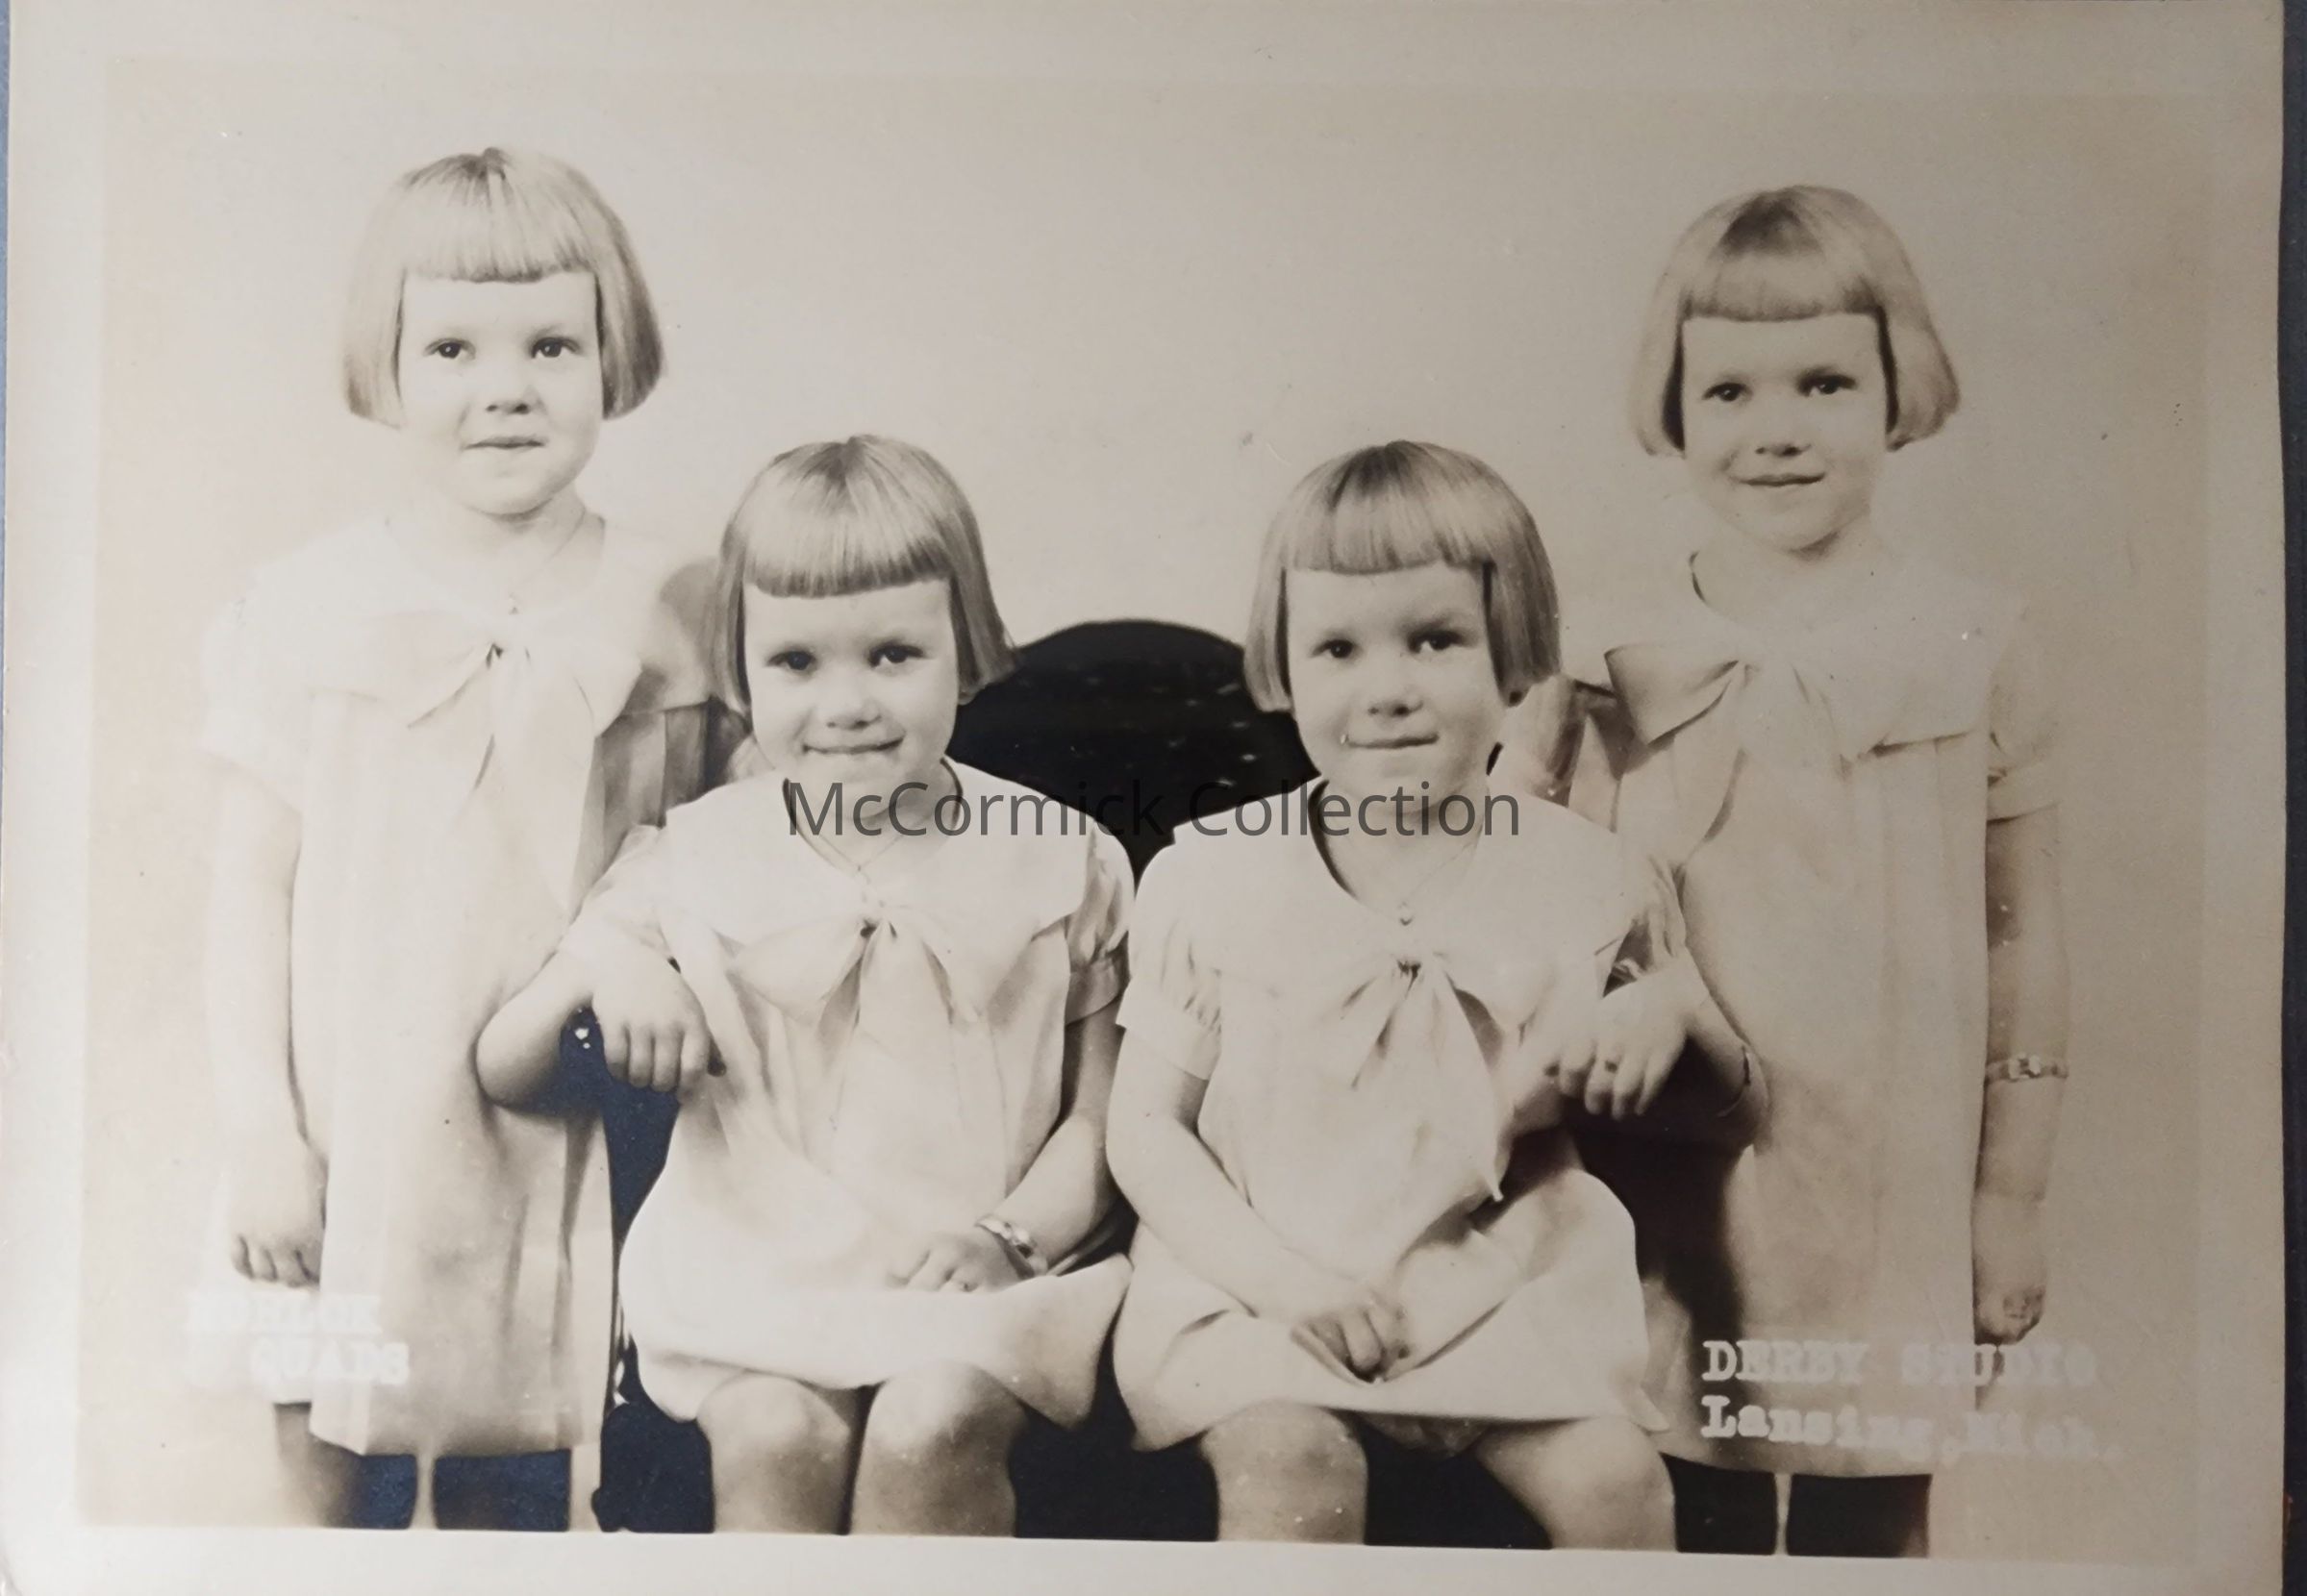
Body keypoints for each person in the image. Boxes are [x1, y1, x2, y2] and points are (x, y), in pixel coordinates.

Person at [1506, 185, 2069, 1557]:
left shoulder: (1972, 641)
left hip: (1892, 1184)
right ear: (1673, 405)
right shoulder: (1606, 654)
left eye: (1823, 383)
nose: (1775, 429)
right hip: (1670, 1164)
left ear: (1896, 387)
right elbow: (1519, 897)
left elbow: (2021, 939)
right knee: (1673, 1492)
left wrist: (2007, 1200)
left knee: (1867, 1510)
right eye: (1728, 391)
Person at [189, 147, 716, 1528]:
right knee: (327, 1463)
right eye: (453, 349)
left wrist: (629, 951)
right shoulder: (306, 604)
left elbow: (715, 843)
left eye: (551, 344)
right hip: (351, 1121)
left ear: (612, 354)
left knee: (521, 1459)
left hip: (553, 1117)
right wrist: (262, 1135)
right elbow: (248, 889)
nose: (507, 387)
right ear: (386, 362)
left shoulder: (672, 602)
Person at [479, 436, 1133, 1535]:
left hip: (985, 1270)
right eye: (795, 663)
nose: (847, 703)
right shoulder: (691, 854)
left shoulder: (1063, 857)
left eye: (893, 654)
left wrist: (1009, 1239)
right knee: (776, 1433)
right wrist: (621, 966)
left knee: (932, 1421)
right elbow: (507, 1065)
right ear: (739, 673)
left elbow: (1100, 1122)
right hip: (758, 1280)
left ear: (968, 649)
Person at [1107, 440, 1755, 1548]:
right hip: (1259, 1284)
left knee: (1615, 1487)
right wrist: (1284, 1284)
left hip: (1494, 1280)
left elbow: (1728, 1115)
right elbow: (1144, 1130)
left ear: (1512, 657)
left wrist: (1669, 1007)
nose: (1387, 689)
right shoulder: (1209, 875)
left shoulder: (1587, 874)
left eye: (1434, 640)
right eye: (1337, 649)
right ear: (1283, 668)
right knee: (1291, 1463)